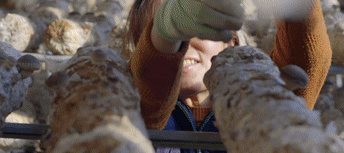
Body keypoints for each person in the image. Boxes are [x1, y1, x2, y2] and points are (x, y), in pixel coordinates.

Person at [125, 0, 332, 152]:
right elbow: (149, 90)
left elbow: (306, 57)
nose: (183, 44)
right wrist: (163, 38)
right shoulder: (130, 109)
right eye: (176, 30)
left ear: (231, 40)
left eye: (199, 26)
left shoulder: (258, 103)